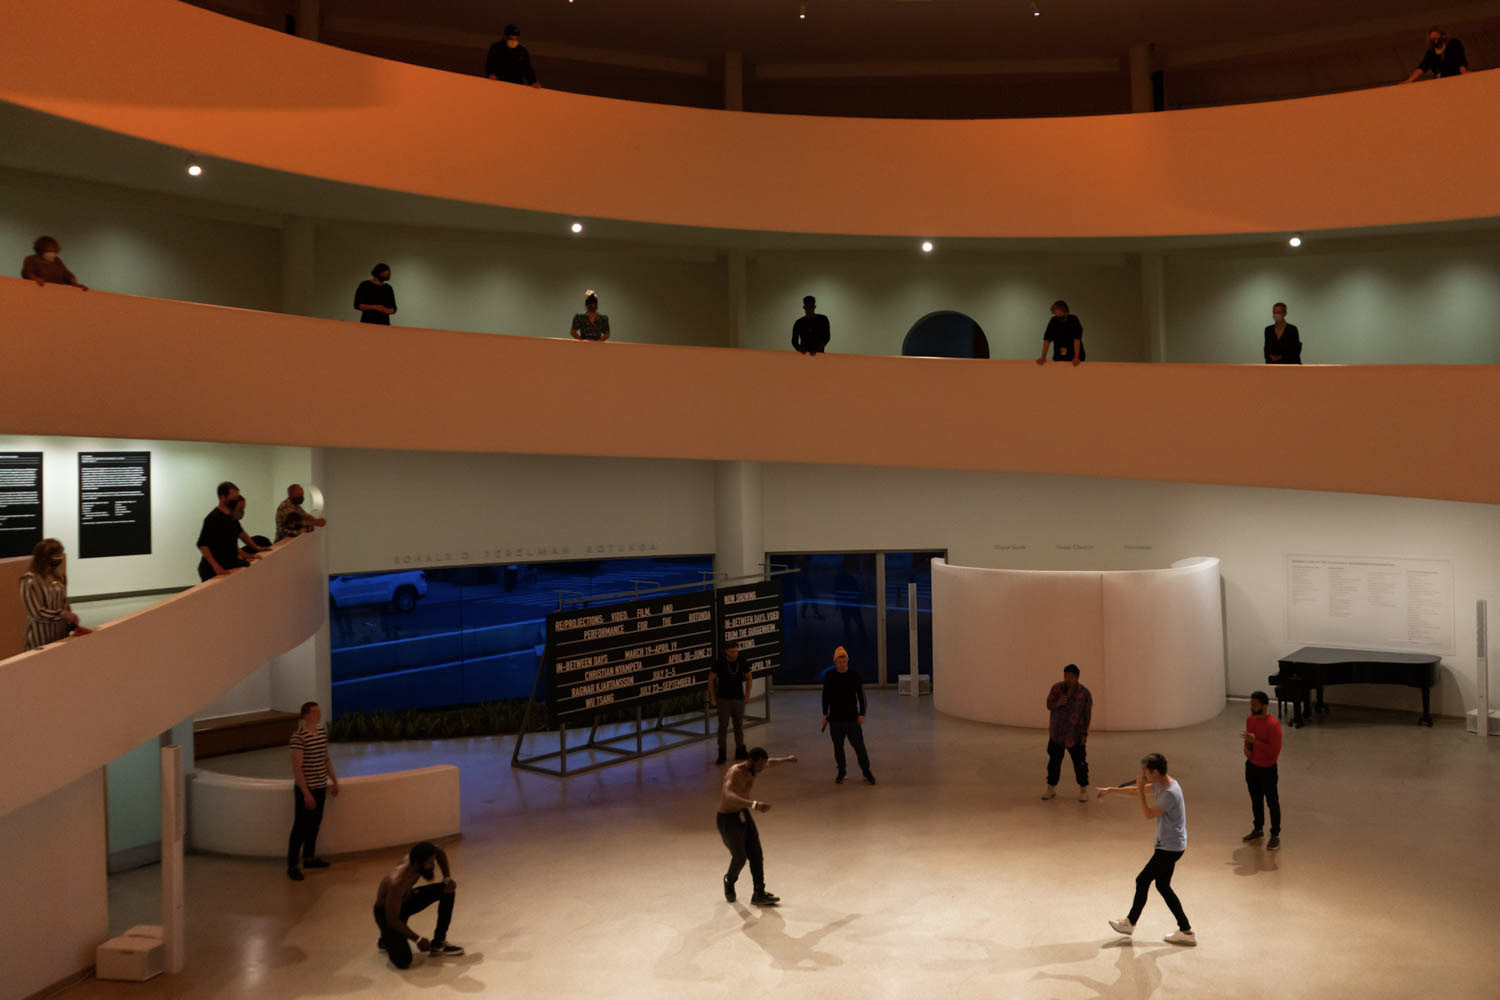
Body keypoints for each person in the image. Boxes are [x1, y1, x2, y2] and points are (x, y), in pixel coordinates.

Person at [1098, 753, 1196, 946]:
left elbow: (1149, 814)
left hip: (1170, 848)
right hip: (1169, 845)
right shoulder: (1162, 784)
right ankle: (1186, 931)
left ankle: (1130, 923)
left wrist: (1142, 791)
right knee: (1162, 886)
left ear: (1155, 772)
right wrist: (1110, 790)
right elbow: (1136, 790)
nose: (1142, 774)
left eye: (1145, 771)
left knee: (1142, 880)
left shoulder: (1170, 793)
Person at [716, 746, 797, 905]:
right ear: (750, 761)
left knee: (756, 854)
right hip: (728, 819)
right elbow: (728, 795)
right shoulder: (735, 772)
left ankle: (759, 892)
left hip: (742, 814)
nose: (761, 769)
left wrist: (787, 759)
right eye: (759, 765)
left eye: (762, 766)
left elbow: (771, 763)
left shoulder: (755, 768)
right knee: (740, 858)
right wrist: (753, 804)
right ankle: (729, 880)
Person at [374, 841, 465, 967]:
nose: (433, 865)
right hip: (386, 914)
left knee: (447, 891)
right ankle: (386, 938)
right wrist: (417, 939)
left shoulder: (418, 860)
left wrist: (447, 878)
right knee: (403, 961)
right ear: (417, 863)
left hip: (405, 901)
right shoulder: (397, 882)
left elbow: (439, 851)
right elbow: (392, 919)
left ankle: (438, 943)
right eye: (429, 863)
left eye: (432, 861)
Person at [287, 700, 340, 881]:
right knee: (300, 827)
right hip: (307, 789)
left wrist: (334, 780)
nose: (319, 715)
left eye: (319, 712)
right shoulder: (298, 738)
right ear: (306, 715)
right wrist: (306, 793)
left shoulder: (321, 733)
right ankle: (292, 865)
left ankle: (309, 857)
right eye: (315, 712)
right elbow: (297, 768)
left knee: (314, 825)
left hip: (320, 786)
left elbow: (325, 759)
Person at [19, 538, 91, 650]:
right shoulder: (30, 580)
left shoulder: (59, 576)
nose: (60, 558)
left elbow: (64, 602)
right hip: (41, 636)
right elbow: (36, 612)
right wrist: (63, 614)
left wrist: (72, 623)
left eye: (61, 554)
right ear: (44, 557)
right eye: (56, 555)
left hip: (60, 634)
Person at [821, 646, 875, 785]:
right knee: (838, 747)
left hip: (852, 719)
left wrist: (862, 713)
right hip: (835, 720)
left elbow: (862, 697)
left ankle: (866, 771)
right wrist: (825, 714)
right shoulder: (830, 676)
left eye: (844, 661)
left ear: (847, 661)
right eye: (839, 662)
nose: (842, 664)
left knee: (859, 747)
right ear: (835, 662)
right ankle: (841, 771)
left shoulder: (854, 676)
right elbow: (825, 696)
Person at [197, 481, 268, 582]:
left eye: (237, 498)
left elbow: (240, 535)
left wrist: (255, 548)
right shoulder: (213, 518)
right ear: (223, 498)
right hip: (211, 570)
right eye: (233, 498)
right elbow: (203, 545)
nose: (235, 500)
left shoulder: (231, 517)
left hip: (229, 563)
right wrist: (215, 566)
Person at [1042, 663, 1091, 802]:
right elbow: (1048, 705)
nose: (1067, 679)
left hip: (1075, 735)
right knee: (1054, 762)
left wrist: (1084, 733)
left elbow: (1087, 714)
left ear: (1077, 677)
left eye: (1070, 676)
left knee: (1080, 763)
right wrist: (1058, 703)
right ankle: (1050, 789)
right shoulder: (1057, 688)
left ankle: (1083, 790)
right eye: (1065, 676)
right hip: (1057, 734)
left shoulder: (1084, 693)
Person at [1241, 690, 1283, 850]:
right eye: (1251, 704)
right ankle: (1258, 828)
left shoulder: (1273, 725)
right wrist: (1247, 747)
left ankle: (1275, 834)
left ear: (1264, 705)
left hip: (1268, 769)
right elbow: (1248, 740)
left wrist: (1255, 741)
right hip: (1251, 767)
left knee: (1272, 802)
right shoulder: (1250, 720)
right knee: (1255, 800)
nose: (1252, 707)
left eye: (1255, 704)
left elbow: (1274, 752)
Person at [708, 639, 753, 765]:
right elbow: (710, 679)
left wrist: (747, 695)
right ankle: (722, 753)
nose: (735, 654)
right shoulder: (720, 663)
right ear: (726, 651)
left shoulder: (742, 661)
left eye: (736, 651)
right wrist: (713, 698)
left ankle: (740, 750)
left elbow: (749, 677)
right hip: (723, 699)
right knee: (723, 726)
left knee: (738, 725)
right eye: (732, 651)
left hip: (738, 698)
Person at [1403, 27, 1469, 82]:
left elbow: (1460, 59)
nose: (1436, 41)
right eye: (1433, 39)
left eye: (1437, 38)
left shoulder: (1453, 44)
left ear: (1444, 36)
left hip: (1455, 77)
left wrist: (1464, 71)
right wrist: (1410, 80)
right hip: (1439, 79)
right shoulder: (1431, 52)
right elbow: (1423, 66)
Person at [21, 236, 88, 290]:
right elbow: (27, 273)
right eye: (49, 251)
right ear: (41, 250)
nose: (52, 254)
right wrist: (36, 279)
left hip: (58, 292)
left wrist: (76, 284)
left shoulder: (57, 261)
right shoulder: (31, 259)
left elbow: (67, 274)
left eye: (54, 251)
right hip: (39, 290)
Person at [1036, 300, 1084, 366]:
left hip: (1073, 356)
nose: (1058, 317)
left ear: (1065, 312)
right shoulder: (1054, 321)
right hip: (1059, 357)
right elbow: (1047, 339)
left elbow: (1077, 339)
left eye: (1060, 314)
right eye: (1056, 315)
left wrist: (1076, 357)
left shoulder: (1073, 320)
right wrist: (1043, 357)